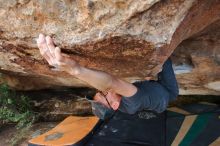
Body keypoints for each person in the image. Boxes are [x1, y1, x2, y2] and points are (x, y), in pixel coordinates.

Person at [37, 34, 179, 119]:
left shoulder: (125, 105)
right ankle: (178, 64)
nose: (104, 90)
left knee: (149, 74)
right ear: (115, 105)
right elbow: (111, 82)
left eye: (100, 92)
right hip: (167, 91)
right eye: (104, 94)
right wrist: (76, 70)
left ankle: (154, 78)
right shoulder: (132, 102)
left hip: (155, 95)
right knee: (164, 56)